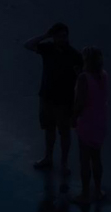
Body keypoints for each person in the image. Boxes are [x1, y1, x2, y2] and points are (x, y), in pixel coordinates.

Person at [26, 22, 83, 172]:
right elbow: (28, 44)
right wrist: (45, 35)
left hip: (65, 100)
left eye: (64, 36)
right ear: (54, 37)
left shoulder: (75, 55)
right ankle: (48, 157)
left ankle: (64, 162)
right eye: (59, 36)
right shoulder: (48, 49)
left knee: (64, 133)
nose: (62, 39)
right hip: (47, 96)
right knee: (49, 129)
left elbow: (81, 79)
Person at [73, 46, 108, 204]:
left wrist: (74, 117)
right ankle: (98, 190)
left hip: (87, 121)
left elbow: (80, 102)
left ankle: (85, 193)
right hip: (100, 121)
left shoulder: (83, 78)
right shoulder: (104, 75)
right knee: (96, 157)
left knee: (84, 159)